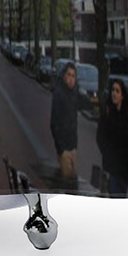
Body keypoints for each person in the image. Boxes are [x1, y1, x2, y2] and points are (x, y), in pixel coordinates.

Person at [95, 77, 128, 196]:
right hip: (110, 168)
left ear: (122, 95)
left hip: (123, 171)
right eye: (113, 90)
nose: (114, 93)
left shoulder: (127, 117)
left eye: (117, 91)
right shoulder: (107, 113)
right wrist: (108, 154)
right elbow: (100, 137)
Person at [50, 61, 78, 190]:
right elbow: (54, 123)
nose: (71, 79)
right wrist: (61, 149)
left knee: (73, 181)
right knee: (67, 184)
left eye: (73, 76)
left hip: (73, 147)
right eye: (69, 75)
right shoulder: (59, 94)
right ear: (64, 76)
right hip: (65, 149)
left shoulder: (74, 95)